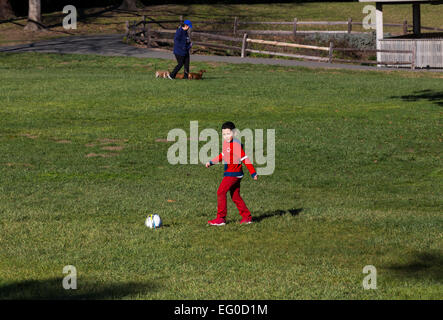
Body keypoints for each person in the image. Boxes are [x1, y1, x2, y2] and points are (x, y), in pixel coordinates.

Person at [205, 121, 258, 226]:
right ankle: (247, 217)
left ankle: (221, 218)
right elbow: (223, 155)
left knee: (221, 192)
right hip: (231, 173)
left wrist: (253, 173)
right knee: (235, 196)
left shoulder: (236, 145)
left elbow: (245, 159)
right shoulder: (226, 143)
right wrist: (211, 162)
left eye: (228, 133)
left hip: (233, 174)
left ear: (234, 133)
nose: (226, 136)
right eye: (224, 134)